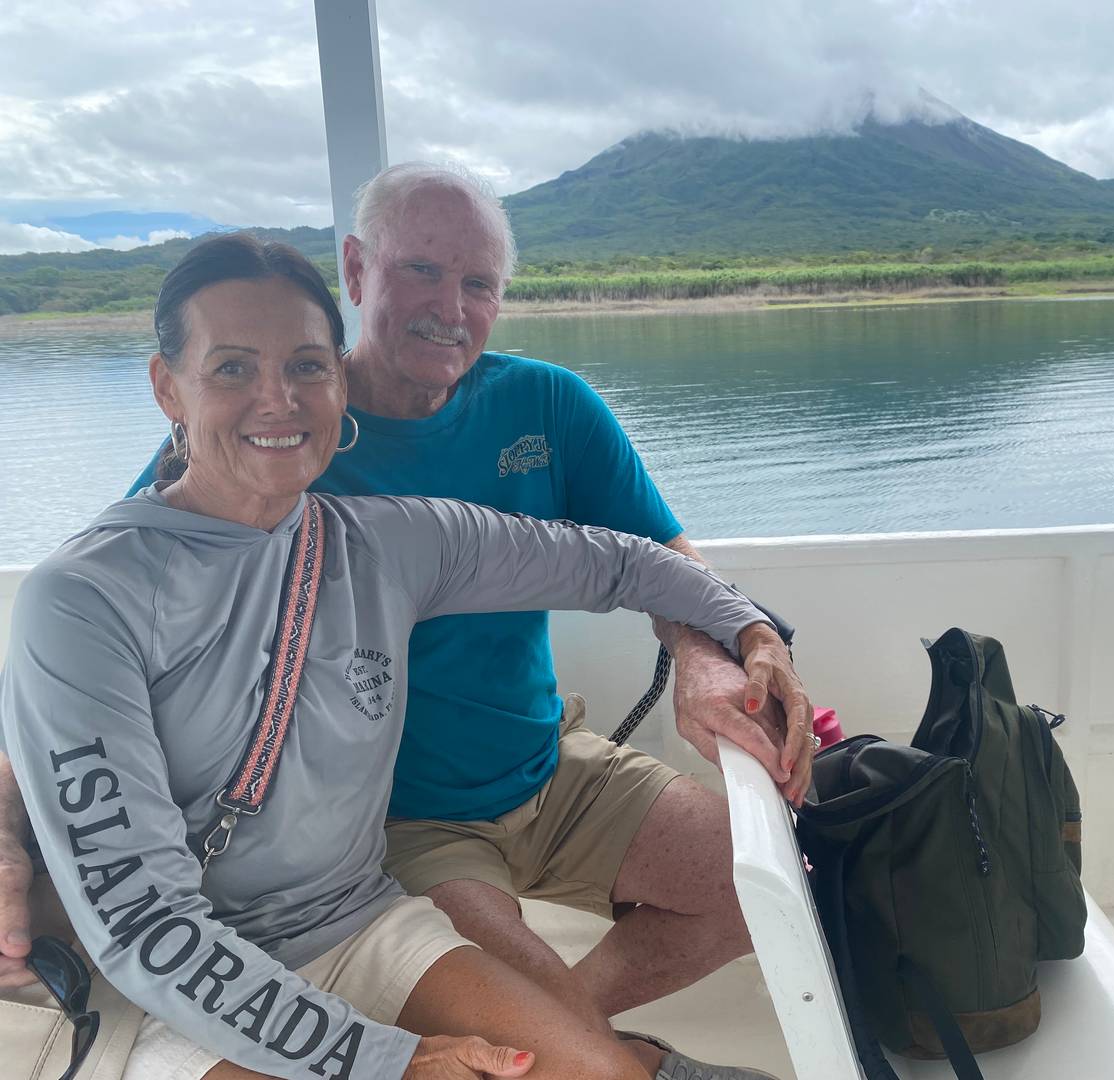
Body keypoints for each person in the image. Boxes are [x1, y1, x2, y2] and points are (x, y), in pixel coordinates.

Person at [0, 163, 815, 1075]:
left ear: (335, 382)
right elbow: (134, 894)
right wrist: (386, 1060)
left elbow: (628, 560)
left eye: (306, 367)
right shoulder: (91, 586)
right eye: (232, 369)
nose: (278, 400)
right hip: (202, 952)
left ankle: (591, 1040)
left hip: (366, 905)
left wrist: (749, 637)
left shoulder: (392, 537)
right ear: (169, 390)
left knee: (585, 1053)